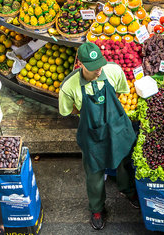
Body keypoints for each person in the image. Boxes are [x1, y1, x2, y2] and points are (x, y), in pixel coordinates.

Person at [58, 42, 139, 230]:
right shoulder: (68, 87)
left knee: (124, 162)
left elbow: (120, 92)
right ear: (81, 64)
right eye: (93, 67)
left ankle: (127, 191)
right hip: (92, 135)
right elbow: (67, 111)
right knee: (94, 173)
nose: (98, 70)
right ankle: (96, 208)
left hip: (117, 128)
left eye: (100, 65)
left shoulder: (114, 71)